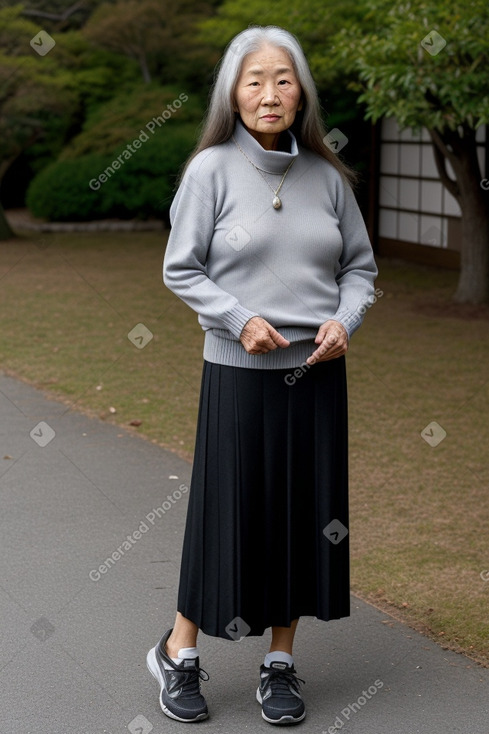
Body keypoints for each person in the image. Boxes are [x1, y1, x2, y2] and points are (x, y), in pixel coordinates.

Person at [146, 24, 378, 726]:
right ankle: (179, 655)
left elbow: (359, 271)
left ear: (300, 89)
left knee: (303, 519)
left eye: (282, 78)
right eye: (254, 80)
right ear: (232, 94)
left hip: (315, 374)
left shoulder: (328, 177)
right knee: (230, 513)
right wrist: (238, 317)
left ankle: (279, 662)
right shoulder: (209, 171)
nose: (269, 93)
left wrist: (345, 320)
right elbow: (179, 266)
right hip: (238, 373)